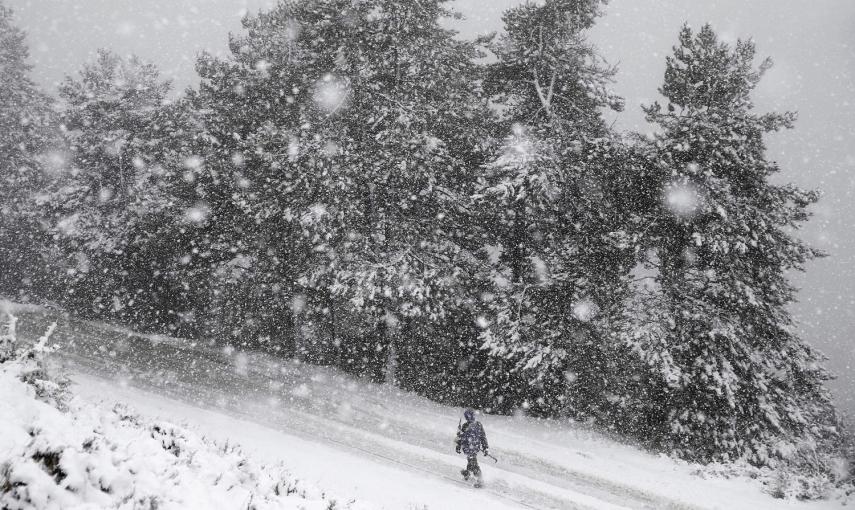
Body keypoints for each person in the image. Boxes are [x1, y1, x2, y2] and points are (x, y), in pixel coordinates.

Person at [455, 407, 489, 487]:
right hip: (468, 447)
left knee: (473, 463)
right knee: (471, 461)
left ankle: (480, 480)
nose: (468, 417)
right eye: (467, 416)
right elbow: (461, 437)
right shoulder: (467, 425)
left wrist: (485, 448)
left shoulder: (477, 425)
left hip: (472, 448)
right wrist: (458, 445)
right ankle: (467, 473)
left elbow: (483, 437)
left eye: (469, 415)